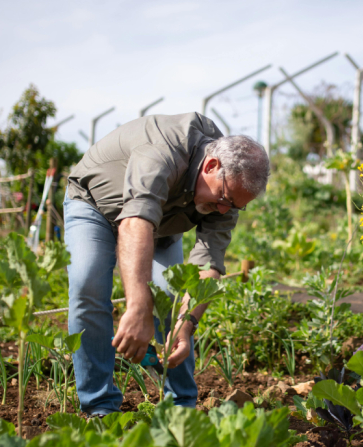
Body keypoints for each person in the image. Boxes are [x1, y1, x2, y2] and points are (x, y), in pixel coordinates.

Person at [63, 112, 269, 415]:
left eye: (235, 205)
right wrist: (137, 307)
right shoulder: (163, 149)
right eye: (224, 197)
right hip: (96, 205)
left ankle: (181, 408)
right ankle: (100, 408)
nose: (225, 209)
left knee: (171, 298)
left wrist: (186, 327)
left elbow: (208, 266)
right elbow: (135, 223)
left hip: (161, 224)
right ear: (211, 166)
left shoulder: (228, 197)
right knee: (88, 283)